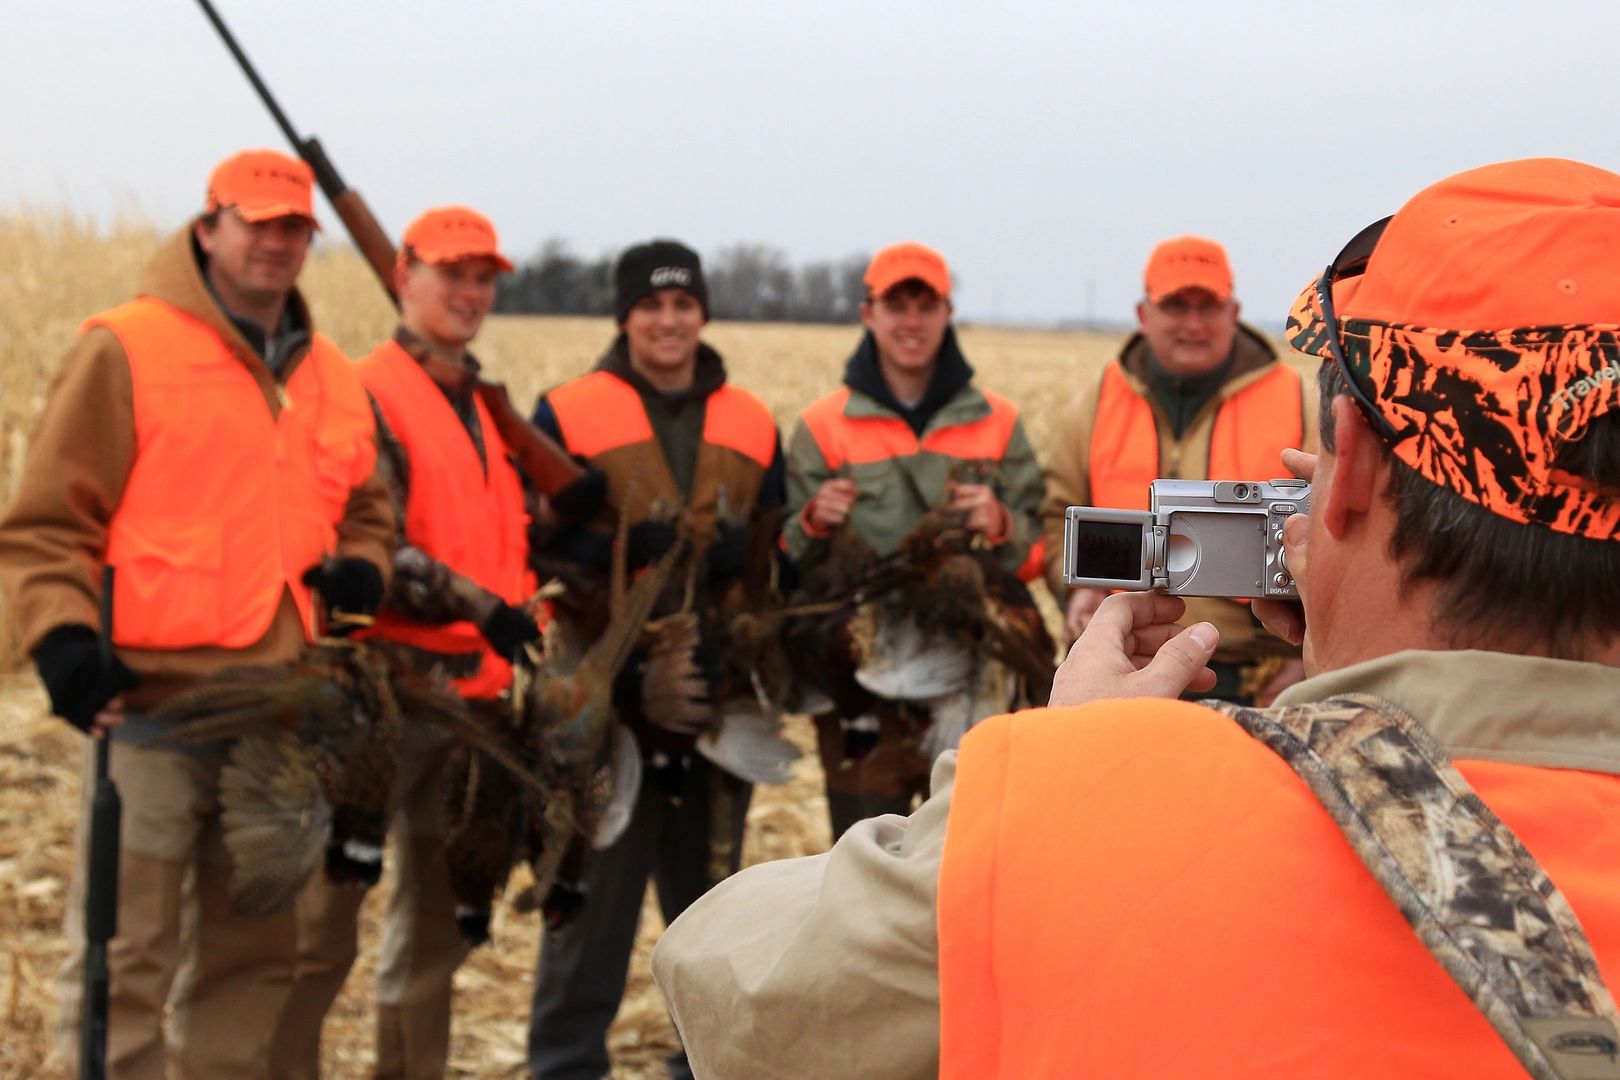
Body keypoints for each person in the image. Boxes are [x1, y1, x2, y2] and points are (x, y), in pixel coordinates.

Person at [650, 158, 1620, 1077]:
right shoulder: (1075, 404)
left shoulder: (1102, 825)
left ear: (1351, 468)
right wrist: (1350, 639)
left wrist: (1053, 778)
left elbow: (732, 986)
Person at [0, 148, 393, 1079]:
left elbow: (369, 506)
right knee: (124, 958)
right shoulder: (126, 346)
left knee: (255, 958)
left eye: (294, 226)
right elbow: (48, 522)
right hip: (151, 713)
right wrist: (59, 641)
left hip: (282, 723)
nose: (276, 242)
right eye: (256, 221)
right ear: (208, 226)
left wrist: (365, 568)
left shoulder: (332, 372)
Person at [269, 206, 541, 1079]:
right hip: (379, 705)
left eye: (482, 277)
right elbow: (363, 541)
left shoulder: (482, 405)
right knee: (316, 941)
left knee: (431, 942)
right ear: (403, 277)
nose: (469, 293)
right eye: (450, 274)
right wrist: (481, 605)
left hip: (471, 709)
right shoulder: (363, 387)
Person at [524, 239, 784, 1080]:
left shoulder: (751, 418)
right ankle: (564, 1065)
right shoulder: (564, 412)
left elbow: (776, 573)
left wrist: (745, 559)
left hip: (712, 709)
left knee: (712, 930)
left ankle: (698, 1071)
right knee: (587, 922)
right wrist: (615, 544)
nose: (668, 321)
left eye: (683, 304)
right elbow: (530, 542)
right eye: (651, 305)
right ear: (625, 314)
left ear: (702, 312)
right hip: (608, 713)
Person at [783, 242, 1045, 839]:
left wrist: (1002, 525)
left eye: (926, 305)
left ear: (947, 313)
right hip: (864, 684)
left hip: (970, 677)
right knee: (864, 871)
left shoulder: (998, 421)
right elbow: (786, 559)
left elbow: (1038, 554)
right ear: (867, 314)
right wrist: (814, 522)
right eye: (895, 304)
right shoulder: (823, 426)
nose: (911, 321)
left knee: (963, 864)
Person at [1042, 236, 1316, 704]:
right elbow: (1052, 519)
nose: (1193, 323)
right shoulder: (1093, 405)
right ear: (1144, 315)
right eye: (1175, 305)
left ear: (1234, 312)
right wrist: (1078, 591)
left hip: (1257, 673)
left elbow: (1335, 537)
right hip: (1125, 661)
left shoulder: (1300, 401)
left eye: (1207, 306)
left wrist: (1308, 652)